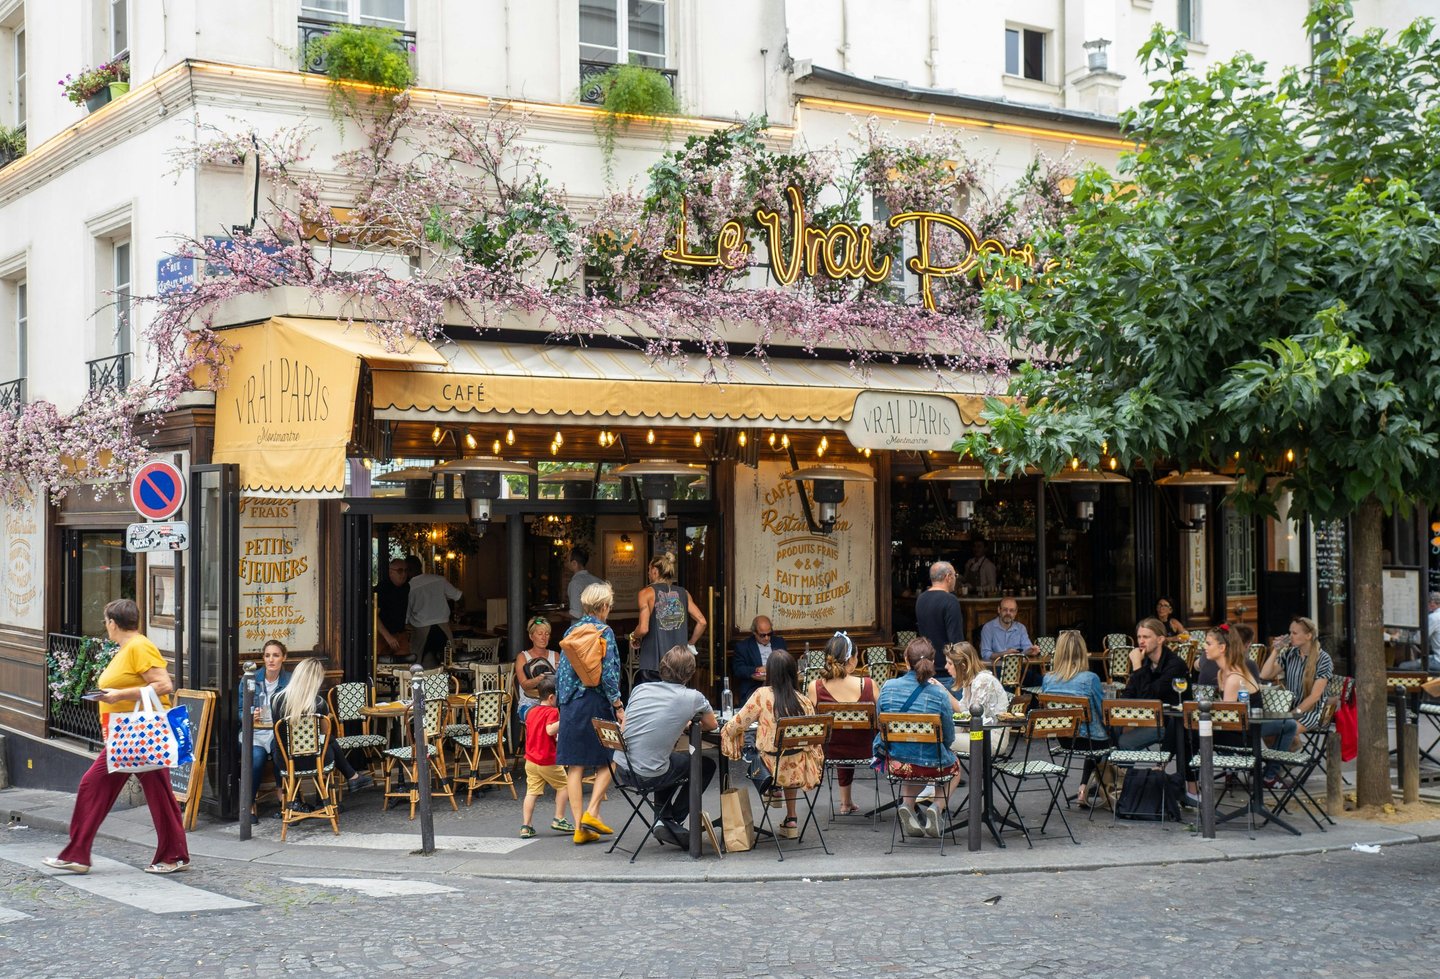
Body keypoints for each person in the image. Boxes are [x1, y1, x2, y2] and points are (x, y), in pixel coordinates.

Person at [44, 599, 191, 876]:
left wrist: (118, 695)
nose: (106, 626)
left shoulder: (139, 646)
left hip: (140, 734)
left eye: (106, 621)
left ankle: (173, 856)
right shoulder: (128, 648)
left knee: (100, 785)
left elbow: (164, 684)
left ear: (113, 623)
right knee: (111, 788)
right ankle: (78, 854)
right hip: (128, 736)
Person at [614, 647, 718, 850]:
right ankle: (669, 820)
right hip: (648, 774)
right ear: (690, 673)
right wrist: (687, 724)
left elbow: (626, 727)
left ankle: (664, 818)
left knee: (670, 759)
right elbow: (711, 725)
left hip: (622, 769)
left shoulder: (640, 689)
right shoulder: (692, 697)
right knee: (705, 765)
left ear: (663, 668)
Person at [721, 649, 823, 839]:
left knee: (755, 748)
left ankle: (773, 789)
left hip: (771, 769)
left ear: (771, 672)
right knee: (790, 753)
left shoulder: (762, 694)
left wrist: (726, 731)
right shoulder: (804, 701)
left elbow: (738, 723)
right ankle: (791, 818)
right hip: (799, 768)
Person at [556, 581, 625, 845]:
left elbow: (562, 675)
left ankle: (579, 828)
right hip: (596, 703)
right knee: (612, 755)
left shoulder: (571, 630)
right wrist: (618, 706)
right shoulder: (604, 632)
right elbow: (608, 675)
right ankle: (592, 811)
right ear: (605, 606)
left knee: (575, 765)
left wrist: (563, 707)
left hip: (571, 705)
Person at [871, 637, 959, 838]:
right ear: (932, 660)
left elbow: (880, 723)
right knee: (955, 765)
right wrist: (943, 748)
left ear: (905, 659)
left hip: (897, 762)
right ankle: (936, 807)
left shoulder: (888, 687)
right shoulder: (939, 693)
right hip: (931, 761)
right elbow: (949, 736)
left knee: (912, 762)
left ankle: (907, 805)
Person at [270, 658, 373, 798]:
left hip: (285, 762)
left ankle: (295, 802)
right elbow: (325, 735)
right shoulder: (319, 704)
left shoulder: (276, 700)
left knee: (275, 743)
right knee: (329, 742)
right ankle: (328, 796)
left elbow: (279, 733)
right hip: (316, 761)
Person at [805, 631, 876, 815]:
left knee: (838, 735)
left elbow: (810, 720)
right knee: (851, 734)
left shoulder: (815, 687)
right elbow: (882, 716)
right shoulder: (868, 685)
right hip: (866, 750)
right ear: (852, 660)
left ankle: (845, 803)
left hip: (830, 751)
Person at [1040, 630, 1111, 808]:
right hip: (1092, 741)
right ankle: (1116, 790)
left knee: (1091, 739)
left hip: (1064, 739)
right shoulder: (1090, 679)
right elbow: (1104, 713)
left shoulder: (1048, 679)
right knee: (1112, 738)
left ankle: (1083, 789)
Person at [238, 639, 292, 823]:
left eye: (276, 655)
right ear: (263, 658)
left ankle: (282, 795)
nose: (271, 660)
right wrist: (248, 715)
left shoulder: (289, 681)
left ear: (283, 658)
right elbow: (239, 711)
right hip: (254, 733)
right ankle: (249, 802)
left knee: (280, 748)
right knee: (258, 756)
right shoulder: (250, 679)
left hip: (276, 731)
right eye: (267, 655)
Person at [633, 553, 706, 686]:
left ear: (655, 571)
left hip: (653, 662)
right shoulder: (684, 593)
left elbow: (643, 628)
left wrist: (634, 636)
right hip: (679, 662)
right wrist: (690, 643)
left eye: (649, 570)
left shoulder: (646, 593)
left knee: (654, 704)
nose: (648, 574)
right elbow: (702, 621)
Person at [1259, 615, 1334, 744]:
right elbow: (1265, 675)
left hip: (1313, 712)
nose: (1290, 636)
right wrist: (1275, 651)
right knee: (1267, 731)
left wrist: (1295, 713)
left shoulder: (1323, 659)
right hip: (1289, 710)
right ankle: (1289, 755)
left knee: (1279, 731)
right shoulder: (1290, 653)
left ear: (1308, 636)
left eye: (1294, 633)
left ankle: (1280, 761)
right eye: (1290, 632)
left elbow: (1315, 696)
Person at [518, 676, 573, 838]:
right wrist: (566, 719)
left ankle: (526, 826)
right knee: (565, 786)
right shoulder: (553, 711)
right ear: (551, 697)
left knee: (531, 792)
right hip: (547, 759)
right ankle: (559, 818)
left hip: (531, 760)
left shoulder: (531, 711)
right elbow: (550, 730)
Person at [941, 641, 1010, 763]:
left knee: (941, 739)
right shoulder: (972, 681)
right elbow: (963, 710)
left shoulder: (982, 681)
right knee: (939, 733)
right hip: (981, 733)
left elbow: (975, 719)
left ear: (962, 666)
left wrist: (943, 692)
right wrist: (943, 691)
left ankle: (949, 776)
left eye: (950, 663)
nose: (946, 667)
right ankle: (951, 775)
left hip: (991, 739)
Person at [404, 555, 462, 669]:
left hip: (422, 632)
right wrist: (461, 611)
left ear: (408, 571)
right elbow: (459, 596)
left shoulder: (408, 588)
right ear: (421, 566)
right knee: (445, 663)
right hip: (443, 631)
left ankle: (425, 685)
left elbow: (406, 617)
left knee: (419, 667)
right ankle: (444, 684)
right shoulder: (439, 580)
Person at [915, 561, 964, 687]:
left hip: (927, 666)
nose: (955, 579)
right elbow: (956, 639)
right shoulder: (950, 600)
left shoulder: (921, 598)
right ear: (948, 577)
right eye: (955, 576)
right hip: (947, 670)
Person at [733, 615, 786, 706]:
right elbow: (738, 669)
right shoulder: (743, 647)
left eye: (769, 634)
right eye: (762, 635)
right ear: (754, 632)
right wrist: (756, 669)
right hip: (754, 688)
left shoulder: (779, 642)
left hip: (778, 686)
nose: (766, 638)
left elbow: (786, 663)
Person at [514, 616, 558, 722]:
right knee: (542, 718)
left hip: (551, 704)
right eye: (540, 634)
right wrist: (540, 678)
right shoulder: (522, 657)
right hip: (528, 705)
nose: (544, 637)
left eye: (547, 634)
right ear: (531, 636)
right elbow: (524, 685)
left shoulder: (555, 655)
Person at [1197, 622, 1260, 687]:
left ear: (1222, 647)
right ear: (1248, 645)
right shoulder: (1221, 672)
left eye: (1209, 644)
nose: (1204, 647)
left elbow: (1195, 665)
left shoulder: (1233, 675)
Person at [979, 596, 1040, 662]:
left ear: (1015, 612)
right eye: (1005, 610)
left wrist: (1031, 651)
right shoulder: (988, 628)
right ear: (999, 610)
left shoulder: (1021, 628)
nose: (1008, 613)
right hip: (995, 669)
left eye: (1011, 610)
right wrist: (1004, 654)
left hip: (1017, 669)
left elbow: (1026, 648)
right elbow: (985, 655)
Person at [375, 558, 410, 661]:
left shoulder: (406, 587)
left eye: (406, 570)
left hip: (400, 634)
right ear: (391, 572)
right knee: (380, 665)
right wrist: (387, 636)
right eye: (400, 570)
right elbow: (373, 616)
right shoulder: (382, 588)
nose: (403, 574)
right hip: (382, 636)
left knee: (404, 665)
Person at [1397, 592, 1440, 672]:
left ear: (1432, 603)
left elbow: (1418, 640)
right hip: (1436, 657)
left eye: (1427, 603)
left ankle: (1408, 684)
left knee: (1403, 666)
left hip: (1438, 660)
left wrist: (1407, 636)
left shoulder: (1433, 617)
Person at [564, 546, 602, 620]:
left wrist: (559, 614)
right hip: (600, 628)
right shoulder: (599, 581)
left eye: (567, 560)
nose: (566, 563)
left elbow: (576, 614)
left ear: (574, 563)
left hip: (583, 629)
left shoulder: (575, 583)